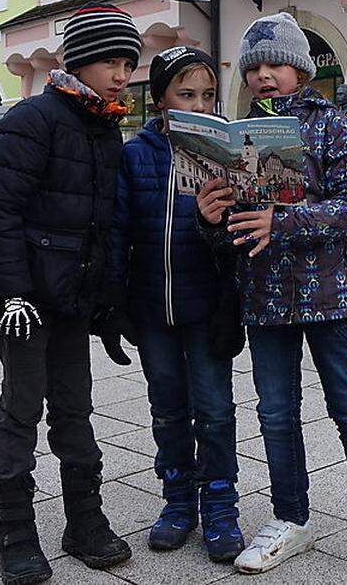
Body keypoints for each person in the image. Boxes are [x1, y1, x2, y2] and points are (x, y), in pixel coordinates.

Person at [195, 12, 347, 584]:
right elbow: (234, 232)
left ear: (300, 69)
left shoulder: (336, 127)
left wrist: (285, 220)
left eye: (275, 64)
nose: (264, 76)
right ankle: (290, 518)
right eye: (253, 68)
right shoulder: (235, 139)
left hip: (334, 294)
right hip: (266, 296)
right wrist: (211, 218)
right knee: (275, 413)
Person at [0, 2, 141, 584]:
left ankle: (83, 520)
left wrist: (108, 303)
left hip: (72, 297)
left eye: (128, 64)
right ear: (81, 61)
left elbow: (107, 225)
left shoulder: (106, 128)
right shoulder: (33, 118)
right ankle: (14, 530)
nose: (121, 74)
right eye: (111, 61)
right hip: (25, 297)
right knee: (21, 406)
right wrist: (10, 292)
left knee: (74, 406)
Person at [105, 46, 246, 562]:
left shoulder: (226, 153)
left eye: (207, 95)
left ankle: (221, 504)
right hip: (151, 309)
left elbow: (238, 241)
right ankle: (177, 501)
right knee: (167, 410)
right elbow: (119, 230)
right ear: (161, 97)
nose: (199, 104)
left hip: (206, 307)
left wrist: (219, 219)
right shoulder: (136, 153)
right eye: (186, 94)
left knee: (215, 410)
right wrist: (114, 302)